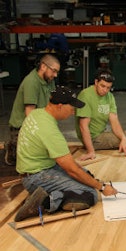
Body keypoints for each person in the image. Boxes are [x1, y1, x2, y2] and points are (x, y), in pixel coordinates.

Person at [14, 86, 118, 222]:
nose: (73, 113)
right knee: (89, 194)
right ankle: (44, 202)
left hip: (38, 169)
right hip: (37, 177)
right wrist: (102, 187)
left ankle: (43, 194)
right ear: (59, 106)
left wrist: (88, 178)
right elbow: (71, 170)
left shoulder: (37, 113)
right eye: (71, 109)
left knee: (87, 176)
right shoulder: (50, 130)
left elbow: (70, 166)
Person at [4, 54, 60, 166]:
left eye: (57, 72)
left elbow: (52, 103)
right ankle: (12, 147)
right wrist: (39, 134)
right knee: (30, 162)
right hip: (22, 125)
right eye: (54, 71)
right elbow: (29, 112)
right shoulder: (31, 82)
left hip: (40, 120)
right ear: (43, 66)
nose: (55, 75)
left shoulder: (49, 80)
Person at [75, 69, 126, 161]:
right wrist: (90, 151)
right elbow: (83, 126)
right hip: (93, 138)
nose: (105, 90)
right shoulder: (85, 95)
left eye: (108, 87)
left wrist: (123, 139)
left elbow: (114, 121)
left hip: (102, 133)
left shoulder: (109, 96)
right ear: (96, 82)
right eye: (102, 86)